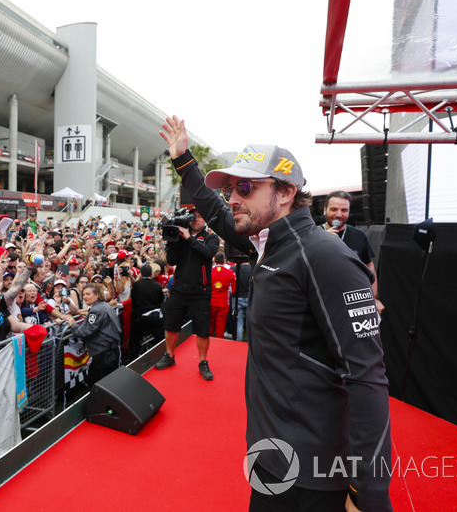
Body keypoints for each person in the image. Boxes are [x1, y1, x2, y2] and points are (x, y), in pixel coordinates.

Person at [160, 115, 391, 512]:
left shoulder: (324, 255)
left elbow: (366, 376)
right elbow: (216, 212)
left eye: (245, 187)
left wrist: (367, 492)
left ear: (285, 192)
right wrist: (183, 161)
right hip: (271, 455)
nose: (233, 196)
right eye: (232, 187)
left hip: (312, 475)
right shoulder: (267, 243)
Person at [153, 207, 219, 381]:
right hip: (179, 290)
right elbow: (172, 260)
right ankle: (169, 355)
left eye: (199, 215)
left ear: (205, 220)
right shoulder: (180, 235)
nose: (196, 218)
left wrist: (189, 238)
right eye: (193, 215)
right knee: (170, 325)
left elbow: (208, 253)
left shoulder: (211, 237)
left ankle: (203, 362)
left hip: (201, 292)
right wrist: (173, 241)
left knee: (203, 331)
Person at [322, 190, 385, 313]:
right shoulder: (313, 234)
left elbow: (369, 266)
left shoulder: (359, 235)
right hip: (324, 300)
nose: (339, 214)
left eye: (344, 210)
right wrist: (321, 239)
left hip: (352, 301)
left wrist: (374, 298)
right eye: (334, 209)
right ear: (325, 210)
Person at [65, 283, 121, 386]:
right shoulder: (103, 306)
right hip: (109, 350)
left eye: (88, 294)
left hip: (105, 354)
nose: (85, 297)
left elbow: (85, 332)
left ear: (96, 295)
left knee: (100, 384)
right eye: (84, 294)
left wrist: (73, 324)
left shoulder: (96, 310)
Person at [128, 263, 165, 361]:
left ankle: (134, 359)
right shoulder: (157, 285)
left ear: (141, 273)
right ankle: (162, 357)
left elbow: (134, 299)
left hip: (140, 318)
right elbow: (160, 299)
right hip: (155, 318)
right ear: (151, 273)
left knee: (135, 341)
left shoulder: (137, 285)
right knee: (160, 340)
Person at [209, 251, 236, 339]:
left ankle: (207, 342)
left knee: (210, 324)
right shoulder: (230, 273)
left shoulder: (209, 271)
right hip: (223, 302)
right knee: (221, 326)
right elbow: (234, 290)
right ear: (224, 260)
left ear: (214, 260)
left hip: (211, 301)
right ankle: (219, 345)